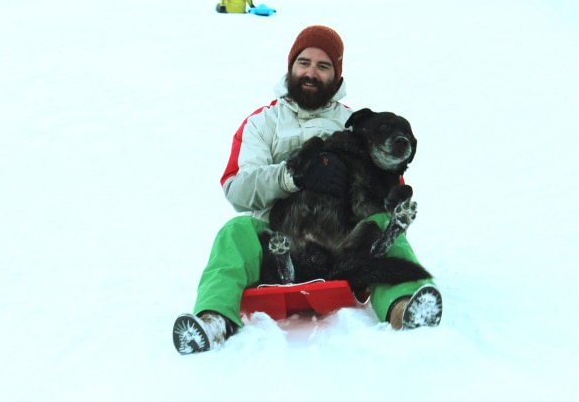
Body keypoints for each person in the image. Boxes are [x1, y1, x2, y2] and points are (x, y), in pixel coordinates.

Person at [172, 25, 443, 355]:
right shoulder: (262, 122)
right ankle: (214, 320)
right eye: (304, 62)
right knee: (235, 232)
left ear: (337, 76)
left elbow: (387, 193)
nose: (311, 72)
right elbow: (237, 189)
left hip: (343, 242)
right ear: (291, 67)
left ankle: (405, 308)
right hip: (278, 239)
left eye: (323, 65)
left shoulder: (356, 123)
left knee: (386, 226)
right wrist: (291, 177)